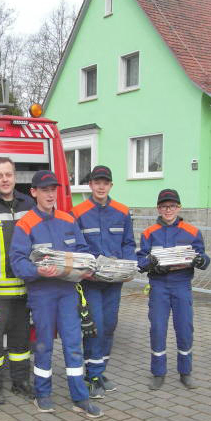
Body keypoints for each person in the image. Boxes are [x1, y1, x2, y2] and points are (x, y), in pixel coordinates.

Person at [10, 170, 102, 418]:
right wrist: (38, 270)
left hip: (68, 292)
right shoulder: (26, 224)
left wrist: (85, 269)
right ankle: (43, 394)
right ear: (34, 192)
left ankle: (80, 397)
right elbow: (17, 263)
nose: (50, 194)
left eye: (53, 189)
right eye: (45, 190)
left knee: (74, 345)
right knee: (44, 345)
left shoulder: (68, 220)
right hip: (42, 293)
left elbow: (82, 250)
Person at [72, 165, 137, 398]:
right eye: (97, 182)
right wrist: (84, 269)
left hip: (114, 281)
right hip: (90, 281)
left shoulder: (121, 211)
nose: (101, 186)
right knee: (95, 326)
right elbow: (75, 245)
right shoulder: (77, 212)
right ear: (90, 185)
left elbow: (128, 243)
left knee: (109, 325)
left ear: (111, 185)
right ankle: (91, 375)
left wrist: (129, 265)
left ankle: (100, 371)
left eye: (105, 182)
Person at [136, 189, 210, 390]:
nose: (168, 210)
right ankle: (158, 373)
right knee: (158, 329)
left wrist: (201, 260)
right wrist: (150, 263)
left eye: (172, 206)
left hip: (182, 285)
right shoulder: (149, 233)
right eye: (164, 206)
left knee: (184, 328)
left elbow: (203, 258)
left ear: (179, 207)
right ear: (158, 209)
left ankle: (185, 372)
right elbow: (140, 261)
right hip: (159, 286)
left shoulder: (192, 231)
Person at [0, 157, 35, 403]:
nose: (5, 179)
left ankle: (20, 382)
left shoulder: (28, 203)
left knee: (21, 339)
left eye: (9, 174)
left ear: (15, 176)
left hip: (24, 286)